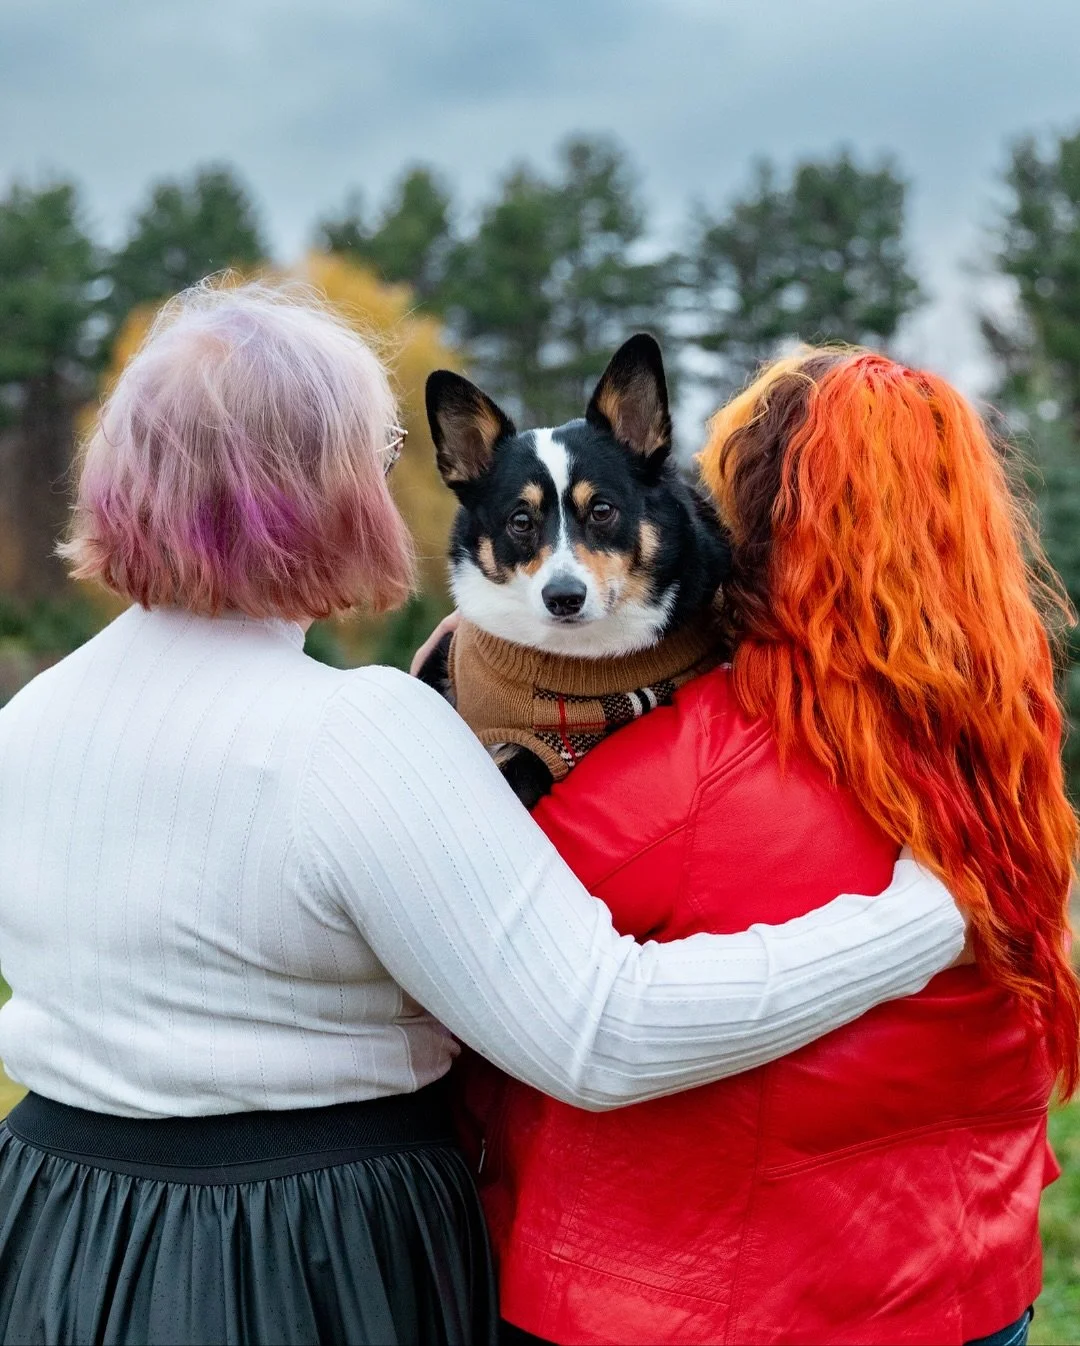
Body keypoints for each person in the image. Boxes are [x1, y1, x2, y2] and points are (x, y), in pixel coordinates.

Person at [0, 289, 967, 1346]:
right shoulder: (358, 731)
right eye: (376, 447)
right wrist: (921, 919)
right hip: (308, 1252)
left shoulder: (31, 717)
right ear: (313, 489)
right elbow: (601, 1032)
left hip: (56, 1225)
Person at [469, 349, 1079, 1346]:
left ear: (756, 519)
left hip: (694, 1310)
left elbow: (477, 994)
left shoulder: (666, 785)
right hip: (967, 1290)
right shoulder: (1012, 767)